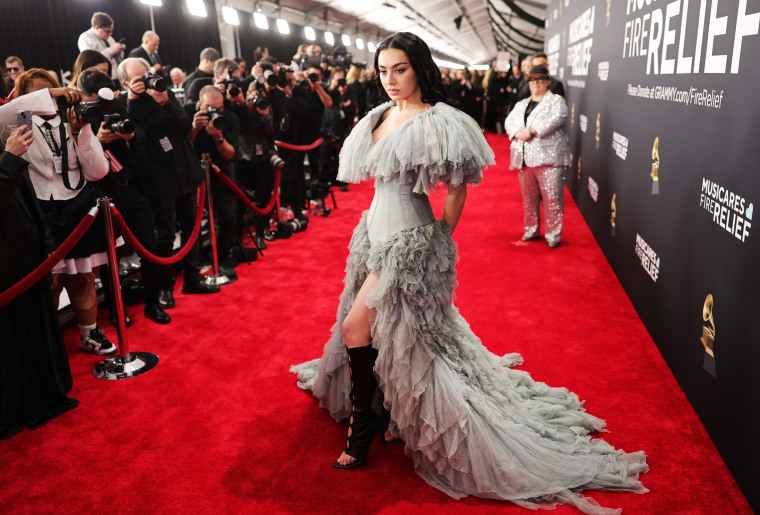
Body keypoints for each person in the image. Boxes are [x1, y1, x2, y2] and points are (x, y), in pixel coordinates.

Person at [291, 32, 647, 513]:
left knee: (359, 326)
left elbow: (456, 189)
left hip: (409, 240)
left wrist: (441, 237)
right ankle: (389, 410)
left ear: (418, 67)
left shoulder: (439, 121)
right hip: (371, 235)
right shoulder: (378, 116)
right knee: (399, 335)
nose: (390, 79)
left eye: (399, 69)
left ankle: (366, 423)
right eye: (382, 71)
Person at [3, 69, 116, 356]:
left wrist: (82, 131)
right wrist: (46, 96)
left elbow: (98, 171)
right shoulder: (20, 121)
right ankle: (49, 344)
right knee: (48, 284)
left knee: (83, 278)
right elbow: (3, 114)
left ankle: (89, 335)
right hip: (39, 210)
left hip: (77, 208)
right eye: (37, 92)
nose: (49, 98)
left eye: (52, 89)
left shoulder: (71, 119)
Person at [118, 57, 220, 306]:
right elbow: (138, 135)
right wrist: (135, 100)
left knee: (192, 228)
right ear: (124, 83)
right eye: (137, 79)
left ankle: (192, 279)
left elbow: (185, 125)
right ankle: (165, 286)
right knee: (165, 234)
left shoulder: (162, 91)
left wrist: (165, 101)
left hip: (185, 169)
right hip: (158, 177)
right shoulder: (123, 104)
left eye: (147, 75)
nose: (146, 82)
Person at [0, 122, 80, 439]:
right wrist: (10, 158)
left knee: (31, 326)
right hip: (5, 265)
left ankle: (41, 394)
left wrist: (45, 244)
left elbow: (22, 193)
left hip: (24, 255)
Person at [77, 68, 170, 324]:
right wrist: (96, 139)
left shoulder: (114, 104)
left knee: (150, 248)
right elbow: (75, 155)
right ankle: (118, 312)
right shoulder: (78, 112)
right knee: (111, 258)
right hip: (103, 193)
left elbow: (139, 132)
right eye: (97, 100)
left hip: (132, 186)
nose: (103, 105)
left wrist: (129, 134)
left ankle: (152, 303)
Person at [505, 65, 572, 248]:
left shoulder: (556, 101)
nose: (536, 83)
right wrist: (517, 133)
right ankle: (531, 229)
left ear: (548, 82)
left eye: (540, 80)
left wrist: (532, 131)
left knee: (552, 199)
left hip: (549, 159)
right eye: (533, 80)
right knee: (529, 200)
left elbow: (559, 118)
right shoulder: (521, 104)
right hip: (524, 159)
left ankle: (553, 235)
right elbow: (509, 121)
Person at [77, 12, 125, 81]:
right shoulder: (85, 38)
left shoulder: (109, 38)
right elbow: (90, 60)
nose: (110, 33)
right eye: (107, 31)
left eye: (111, 30)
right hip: (99, 78)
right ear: (97, 27)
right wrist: (111, 50)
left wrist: (119, 50)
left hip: (116, 76)